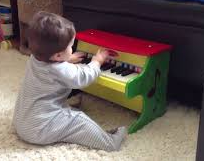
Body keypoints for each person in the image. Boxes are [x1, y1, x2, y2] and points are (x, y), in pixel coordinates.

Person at [13, 11, 126, 151]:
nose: (71, 49)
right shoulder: (60, 70)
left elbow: (54, 66)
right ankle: (110, 142)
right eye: (70, 46)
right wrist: (97, 61)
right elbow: (83, 77)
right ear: (58, 55)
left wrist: (67, 58)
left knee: (67, 111)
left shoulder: (35, 58)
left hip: (22, 121)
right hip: (40, 129)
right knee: (79, 119)